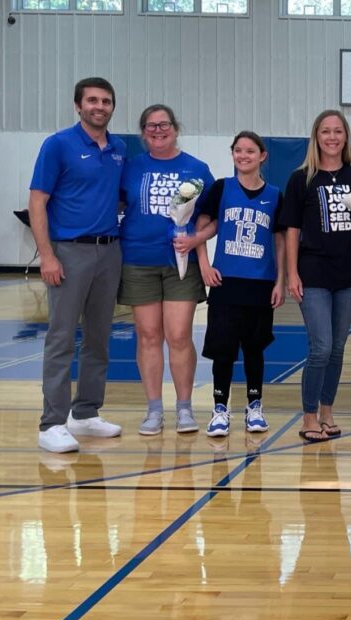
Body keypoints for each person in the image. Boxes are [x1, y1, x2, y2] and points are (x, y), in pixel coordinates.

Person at [28, 77, 127, 453]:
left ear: (112, 107)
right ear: (78, 105)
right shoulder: (57, 145)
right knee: (61, 339)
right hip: (69, 252)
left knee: (99, 338)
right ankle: (51, 423)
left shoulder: (118, 148)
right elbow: (38, 201)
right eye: (92, 100)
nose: (99, 106)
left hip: (109, 251)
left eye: (106, 101)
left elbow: (116, 198)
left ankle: (85, 412)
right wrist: (48, 255)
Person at [118, 104, 213, 435]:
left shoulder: (196, 169)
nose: (158, 130)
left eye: (164, 124)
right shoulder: (131, 168)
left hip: (179, 265)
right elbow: (114, 204)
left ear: (176, 127)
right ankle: (153, 409)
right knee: (148, 336)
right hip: (138, 260)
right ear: (143, 132)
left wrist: (196, 240)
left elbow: (211, 217)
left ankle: (184, 408)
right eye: (150, 126)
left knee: (178, 335)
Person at [186, 131, 285, 437]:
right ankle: (220, 408)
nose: (244, 156)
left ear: (262, 156)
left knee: (255, 349)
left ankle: (254, 406)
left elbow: (280, 240)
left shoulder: (274, 194)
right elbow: (201, 227)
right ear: (233, 154)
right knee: (223, 350)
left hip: (260, 283)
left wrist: (280, 280)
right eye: (238, 150)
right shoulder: (222, 188)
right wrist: (204, 264)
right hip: (225, 281)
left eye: (250, 151)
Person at [283, 110, 351, 443]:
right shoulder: (301, 178)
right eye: (325, 131)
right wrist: (291, 273)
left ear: (346, 137)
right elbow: (291, 230)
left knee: (338, 349)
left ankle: (328, 410)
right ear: (316, 137)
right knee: (321, 347)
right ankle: (309, 416)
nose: (332, 137)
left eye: (338, 131)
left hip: (349, 274)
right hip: (313, 272)